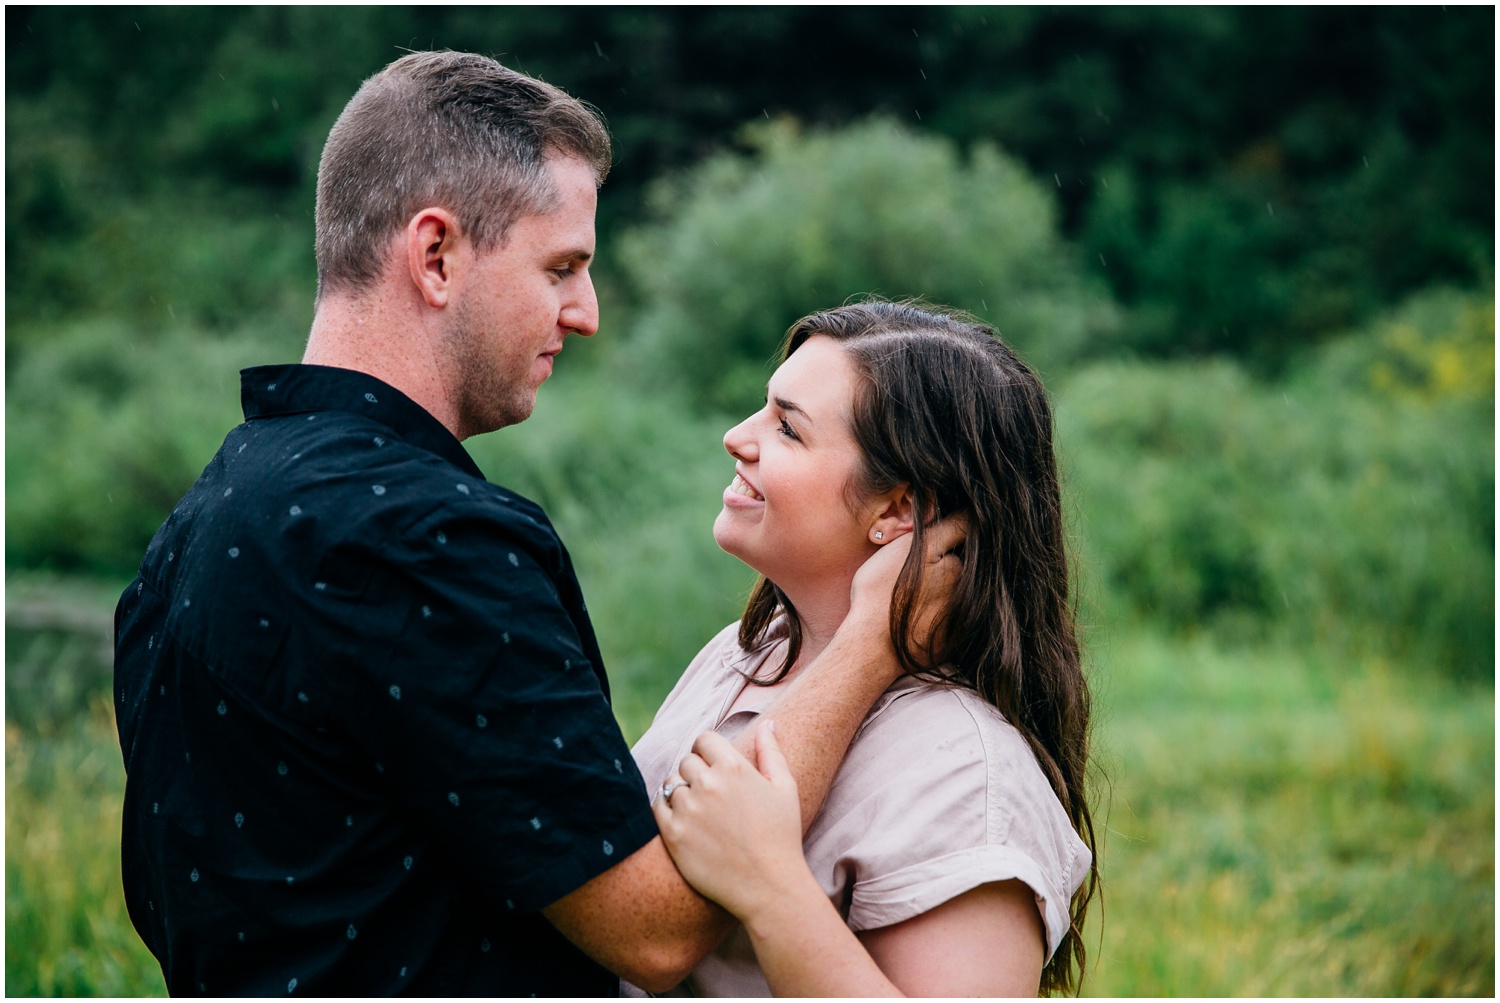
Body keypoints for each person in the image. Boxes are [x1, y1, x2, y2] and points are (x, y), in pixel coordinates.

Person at [112, 52, 956, 996]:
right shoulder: (423, 537)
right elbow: (659, 930)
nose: (585, 314)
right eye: (562, 267)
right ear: (436, 255)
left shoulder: (205, 514)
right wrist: (877, 642)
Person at [634, 300, 1100, 996]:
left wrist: (771, 888)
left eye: (788, 429)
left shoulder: (965, 772)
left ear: (897, 511)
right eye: (763, 409)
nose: (737, 436)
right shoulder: (739, 657)